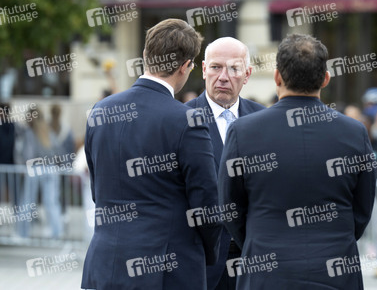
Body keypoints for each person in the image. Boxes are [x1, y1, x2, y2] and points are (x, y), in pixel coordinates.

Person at [218, 34, 376, 289]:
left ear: (277, 76)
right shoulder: (354, 133)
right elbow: (362, 210)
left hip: (266, 272)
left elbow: (230, 206)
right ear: (325, 78)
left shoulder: (243, 132)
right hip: (335, 270)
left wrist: (257, 240)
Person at [81, 19, 221, 290]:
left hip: (104, 263)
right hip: (165, 272)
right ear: (186, 67)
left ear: (145, 56)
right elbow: (207, 205)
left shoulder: (100, 111)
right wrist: (208, 255)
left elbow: (99, 191)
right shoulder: (187, 120)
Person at [186, 37, 265, 290]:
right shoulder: (182, 120)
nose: (223, 76)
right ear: (203, 69)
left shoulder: (264, 119)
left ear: (248, 74)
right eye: (216, 67)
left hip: (253, 259)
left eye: (234, 68)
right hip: (204, 261)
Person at [19, 108, 63, 239]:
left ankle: (23, 234)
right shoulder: (48, 131)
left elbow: (28, 154)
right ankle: (57, 233)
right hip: (51, 169)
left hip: (35, 169)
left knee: (27, 202)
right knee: (51, 202)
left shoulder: (29, 133)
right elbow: (58, 151)